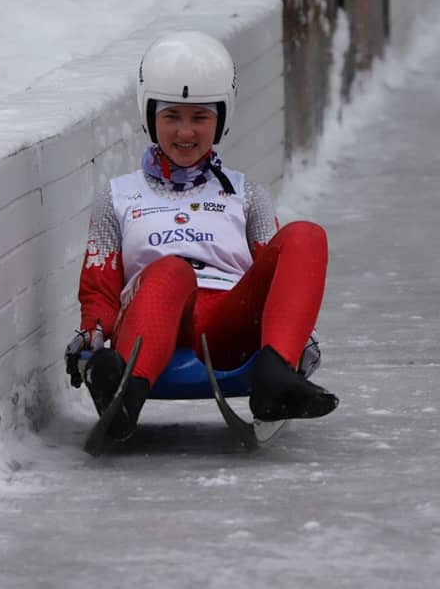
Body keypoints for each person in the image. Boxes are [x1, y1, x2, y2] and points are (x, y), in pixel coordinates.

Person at [66, 30, 338, 441]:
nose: (185, 133)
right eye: (172, 117)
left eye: (200, 118)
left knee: (306, 235)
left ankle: (275, 377)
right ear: (150, 116)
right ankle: (124, 394)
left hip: (224, 325)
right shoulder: (118, 196)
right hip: (149, 319)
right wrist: (92, 334)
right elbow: (99, 286)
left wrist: (299, 336)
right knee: (172, 271)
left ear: (221, 119)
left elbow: (277, 275)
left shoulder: (246, 194)